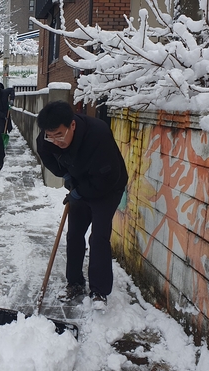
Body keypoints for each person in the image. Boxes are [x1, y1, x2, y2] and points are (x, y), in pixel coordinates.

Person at [36, 101, 128, 308]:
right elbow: (47, 155)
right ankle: (75, 283)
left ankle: (99, 291)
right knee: (75, 233)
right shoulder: (48, 138)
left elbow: (107, 179)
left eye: (59, 135)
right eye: (50, 135)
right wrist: (66, 176)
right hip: (80, 180)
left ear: (73, 126)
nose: (55, 141)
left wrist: (80, 192)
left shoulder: (98, 134)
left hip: (108, 186)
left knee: (99, 237)